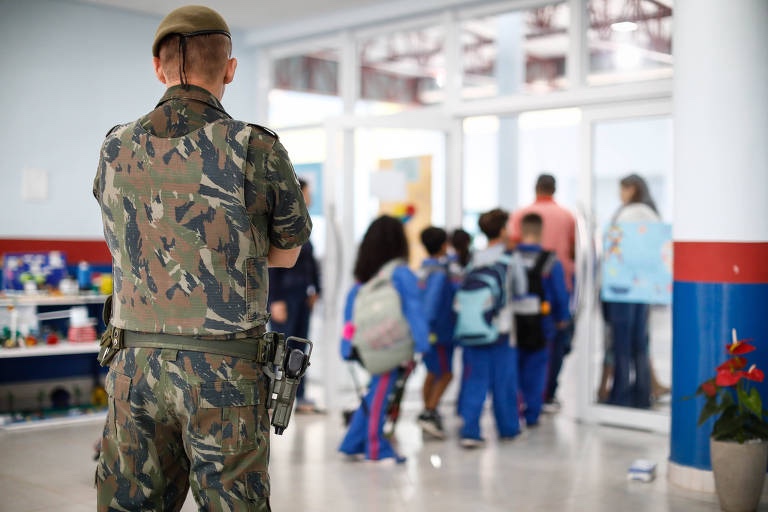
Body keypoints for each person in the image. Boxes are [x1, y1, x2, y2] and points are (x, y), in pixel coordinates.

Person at [92, 6, 311, 511]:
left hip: (134, 365)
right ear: (230, 70)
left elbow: (121, 239)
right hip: (224, 371)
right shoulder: (255, 147)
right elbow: (287, 254)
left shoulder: (114, 147)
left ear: (157, 66)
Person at [338, 215, 429, 463]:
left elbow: (350, 314)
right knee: (380, 393)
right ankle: (376, 446)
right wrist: (422, 343)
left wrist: (346, 345)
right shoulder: (401, 273)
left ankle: (351, 443)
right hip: (391, 345)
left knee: (374, 391)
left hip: (364, 345)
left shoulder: (364, 276)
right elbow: (414, 309)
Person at [457, 208, 526, 448]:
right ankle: (508, 428)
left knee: (474, 380)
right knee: (504, 381)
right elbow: (521, 289)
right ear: (503, 229)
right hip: (500, 329)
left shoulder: (474, 258)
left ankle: (470, 430)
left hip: (472, 329)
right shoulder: (510, 259)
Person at [509, 173, 576, 409]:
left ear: (535, 188)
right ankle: (546, 396)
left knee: (520, 351)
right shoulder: (567, 216)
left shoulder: (520, 214)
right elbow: (574, 250)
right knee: (551, 350)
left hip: (521, 295)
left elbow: (513, 246)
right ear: (554, 189)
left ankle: (519, 399)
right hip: (556, 290)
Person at [600, 173, 660, 409]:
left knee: (621, 344)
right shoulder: (652, 214)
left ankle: (621, 395)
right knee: (640, 342)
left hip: (621, 288)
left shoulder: (627, 214)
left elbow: (615, 251)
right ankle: (643, 395)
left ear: (632, 189)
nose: (620, 195)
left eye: (622, 189)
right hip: (643, 288)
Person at [268, 178, 322, 413]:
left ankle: (299, 397)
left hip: (302, 296)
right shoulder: (282, 221)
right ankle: (276, 398)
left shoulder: (303, 223)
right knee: (283, 349)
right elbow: (274, 265)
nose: (310, 197)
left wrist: (316, 289)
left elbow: (310, 262)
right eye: (307, 192)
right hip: (285, 297)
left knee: (300, 350)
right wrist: (275, 300)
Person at [513, 213, 570, 427]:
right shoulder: (550, 260)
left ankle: (514, 410)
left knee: (514, 369)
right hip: (542, 324)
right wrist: (562, 317)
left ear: (521, 231)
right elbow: (560, 293)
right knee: (537, 370)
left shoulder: (511, 257)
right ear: (541, 232)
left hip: (514, 323)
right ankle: (532, 413)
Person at [416, 226, 458, 439]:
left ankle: (429, 411)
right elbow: (432, 305)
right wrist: (429, 327)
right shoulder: (441, 274)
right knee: (445, 373)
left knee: (432, 372)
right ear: (444, 245)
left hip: (427, 331)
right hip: (439, 332)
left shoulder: (423, 269)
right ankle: (429, 411)